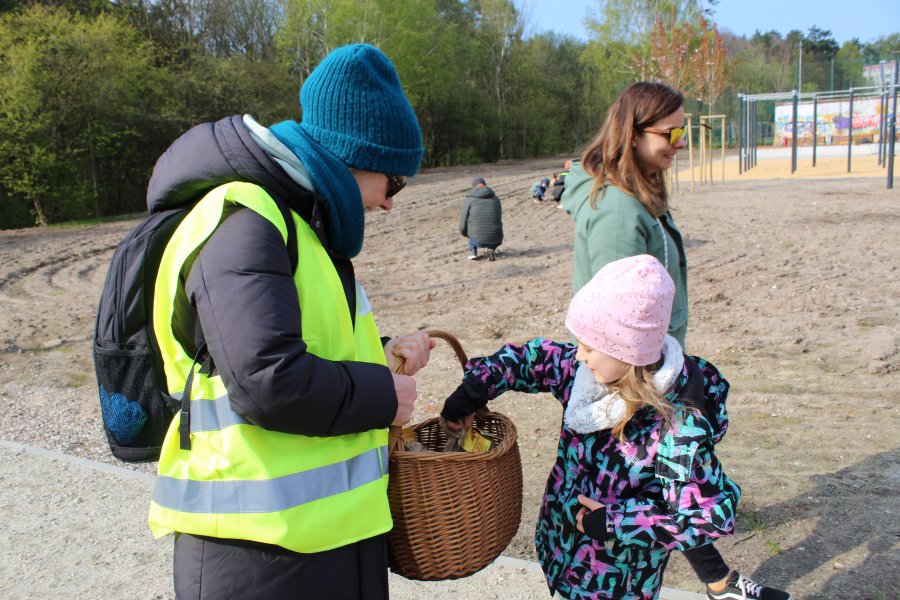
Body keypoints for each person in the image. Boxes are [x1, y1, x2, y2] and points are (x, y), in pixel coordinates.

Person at [145, 44, 435, 599]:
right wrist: (381, 394)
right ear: (355, 155)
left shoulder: (304, 227)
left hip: (323, 545)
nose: (392, 202)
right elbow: (267, 379)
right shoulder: (246, 219)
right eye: (394, 181)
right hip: (255, 557)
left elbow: (308, 346)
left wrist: (384, 352)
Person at [560, 82, 791, 600]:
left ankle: (718, 583)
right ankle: (708, 583)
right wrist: (647, 385)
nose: (681, 141)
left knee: (665, 482)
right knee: (649, 493)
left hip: (650, 368)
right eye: (672, 131)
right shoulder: (619, 212)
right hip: (635, 377)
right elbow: (615, 320)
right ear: (634, 132)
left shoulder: (638, 197)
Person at [441, 255, 783, 600]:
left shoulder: (673, 428)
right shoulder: (585, 375)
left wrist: (614, 522)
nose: (578, 355)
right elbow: (531, 359)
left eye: (589, 347)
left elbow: (698, 516)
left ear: (627, 351)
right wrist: (472, 391)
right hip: (563, 549)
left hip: (619, 578)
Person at [460, 176, 503, 261]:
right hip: (495, 237)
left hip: (476, 236)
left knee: (473, 227)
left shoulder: (469, 199)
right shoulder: (496, 199)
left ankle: (473, 251)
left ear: (474, 186)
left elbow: (463, 221)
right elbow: (498, 218)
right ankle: (491, 249)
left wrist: (464, 233)